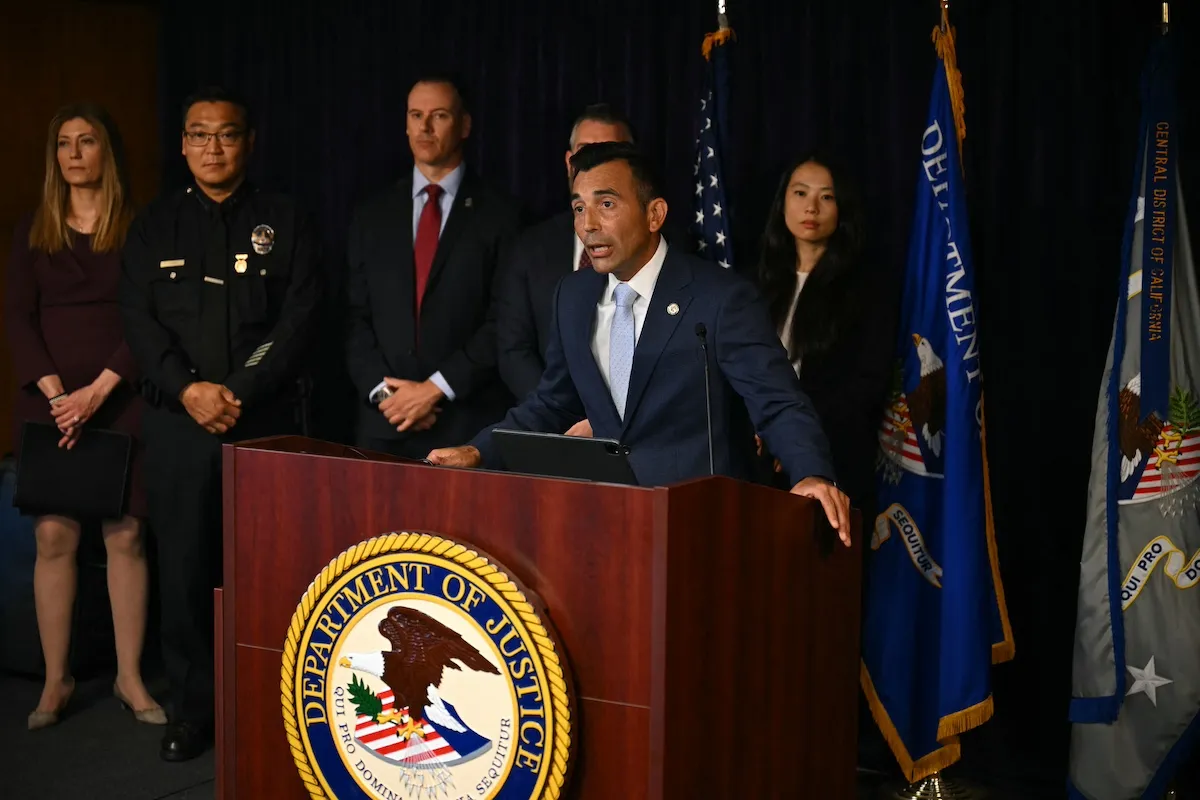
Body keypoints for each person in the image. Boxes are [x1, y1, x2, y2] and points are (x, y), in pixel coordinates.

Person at [428, 142, 852, 544]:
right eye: (579, 207)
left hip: (702, 524)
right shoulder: (572, 297)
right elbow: (553, 403)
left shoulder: (719, 299)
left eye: (606, 204)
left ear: (655, 215)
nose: (588, 224)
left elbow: (778, 402)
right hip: (604, 521)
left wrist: (811, 474)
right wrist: (479, 450)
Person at [120, 87, 322, 761]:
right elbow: (142, 328)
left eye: (226, 135)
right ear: (182, 145)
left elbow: (297, 321)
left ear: (249, 141)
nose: (212, 148)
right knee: (182, 573)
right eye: (199, 135)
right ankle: (193, 712)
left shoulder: (285, 219)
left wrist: (233, 391)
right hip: (179, 427)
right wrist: (189, 391)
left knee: (269, 571)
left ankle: (276, 706)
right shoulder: (153, 227)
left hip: (261, 422)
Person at [6, 103, 165, 731]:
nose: (73, 154)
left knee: (125, 534)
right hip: (51, 405)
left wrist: (98, 392)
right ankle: (55, 680)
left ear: (107, 153)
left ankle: (129, 678)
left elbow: (149, 318)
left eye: (87, 141)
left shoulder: (139, 228)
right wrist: (57, 397)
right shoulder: (33, 230)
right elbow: (18, 318)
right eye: (64, 144)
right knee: (54, 536)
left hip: (118, 396)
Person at [344, 73, 525, 459]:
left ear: (464, 125)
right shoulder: (371, 215)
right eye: (415, 115)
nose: (424, 127)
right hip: (384, 423)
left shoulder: (503, 216)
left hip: (464, 425)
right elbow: (352, 318)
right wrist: (386, 394)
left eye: (439, 115)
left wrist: (435, 389)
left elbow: (504, 322)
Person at [754, 153, 894, 517]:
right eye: (800, 193)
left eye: (826, 197)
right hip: (754, 462)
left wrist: (796, 440)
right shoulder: (752, 283)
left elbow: (867, 384)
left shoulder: (867, 290)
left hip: (834, 460)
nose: (811, 207)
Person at [495, 103, 636, 425]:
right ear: (568, 161)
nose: (595, 165)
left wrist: (605, 419)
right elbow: (513, 348)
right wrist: (558, 415)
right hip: (552, 428)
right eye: (586, 152)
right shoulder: (530, 247)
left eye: (609, 152)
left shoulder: (668, 248)